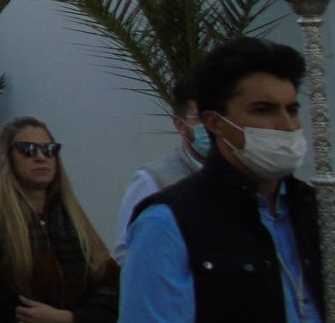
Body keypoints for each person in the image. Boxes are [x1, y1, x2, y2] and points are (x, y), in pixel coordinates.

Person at [122, 37, 323, 323]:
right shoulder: (169, 221)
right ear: (215, 123)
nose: (287, 126)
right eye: (263, 110)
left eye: (291, 110)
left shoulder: (314, 209)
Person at [0, 116, 118, 322]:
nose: (41, 157)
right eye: (28, 149)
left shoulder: (72, 221)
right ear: (8, 158)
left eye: (49, 149)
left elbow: (112, 289)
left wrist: (69, 318)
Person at [114, 78, 208, 262]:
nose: (211, 126)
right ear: (181, 125)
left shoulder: (247, 175)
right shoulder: (153, 179)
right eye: (200, 118)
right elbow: (126, 253)